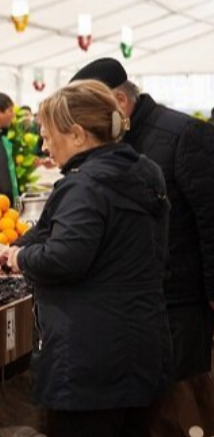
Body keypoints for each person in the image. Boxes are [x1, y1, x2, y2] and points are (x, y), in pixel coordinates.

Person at [0, 80, 172, 437]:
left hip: (92, 363)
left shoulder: (86, 185)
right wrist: (21, 245)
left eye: (47, 135)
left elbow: (63, 258)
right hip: (141, 348)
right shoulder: (144, 172)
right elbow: (58, 233)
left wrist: (20, 260)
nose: (44, 146)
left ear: (76, 134)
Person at [72, 57, 214, 381]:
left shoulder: (184, 134)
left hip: (181, 301)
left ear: (120, 101)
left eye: (91, 110)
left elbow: (210, 218)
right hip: (138, 301)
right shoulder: (114, 143)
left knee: (182, 410)